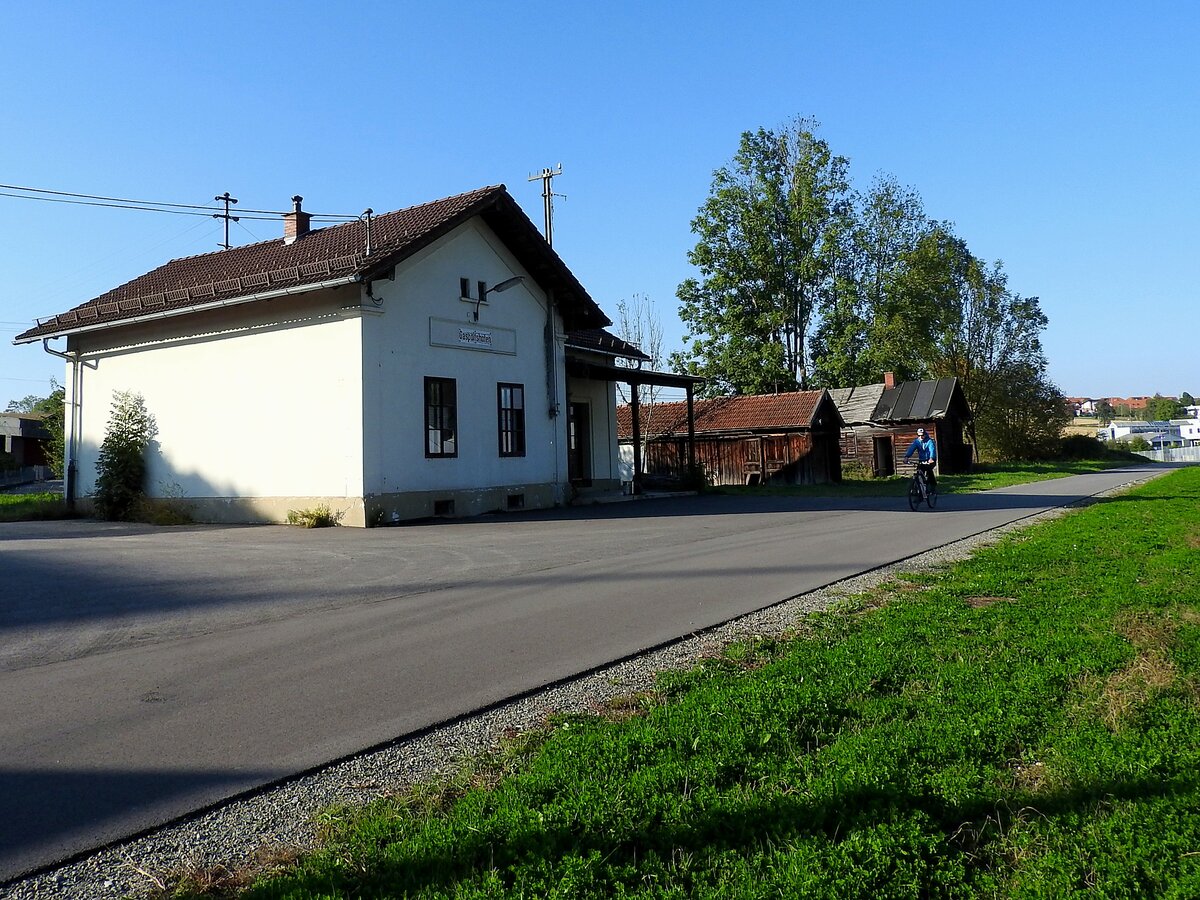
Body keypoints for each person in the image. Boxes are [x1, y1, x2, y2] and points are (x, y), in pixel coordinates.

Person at [904, 427, 938, 492]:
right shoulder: (917, 442)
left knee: (929, 470)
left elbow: (932, 450)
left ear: (925, 434)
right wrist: (906, 457)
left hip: (930, 459)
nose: (920, 437)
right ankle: (917, 489)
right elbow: (911, 449)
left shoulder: (929, 441)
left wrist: (931, 458)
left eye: (922, 435)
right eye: (919, 435)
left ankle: (933, 486)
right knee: (919, 471)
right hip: (922, 460)